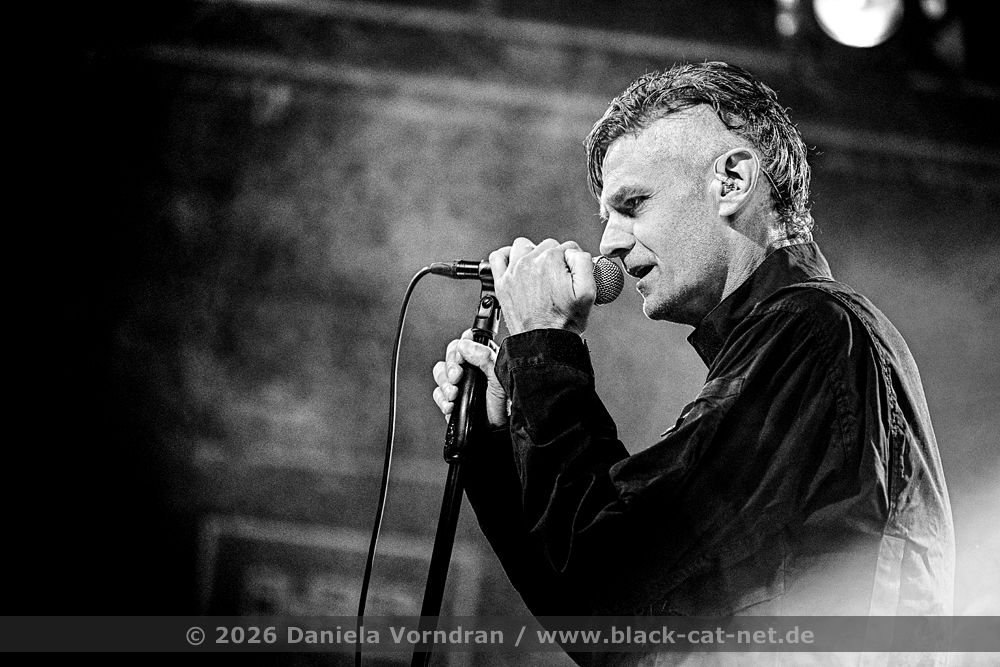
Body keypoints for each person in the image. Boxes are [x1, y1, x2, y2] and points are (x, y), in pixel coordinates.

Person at [430, 61, 954, 638]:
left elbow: (609, 571)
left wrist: (545, 346)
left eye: (633, 204)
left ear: (732, 181)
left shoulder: (811, 329)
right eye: (607, 217)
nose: (609, 243)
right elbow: (609, 626)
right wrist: (495, 445)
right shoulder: (794, 344)